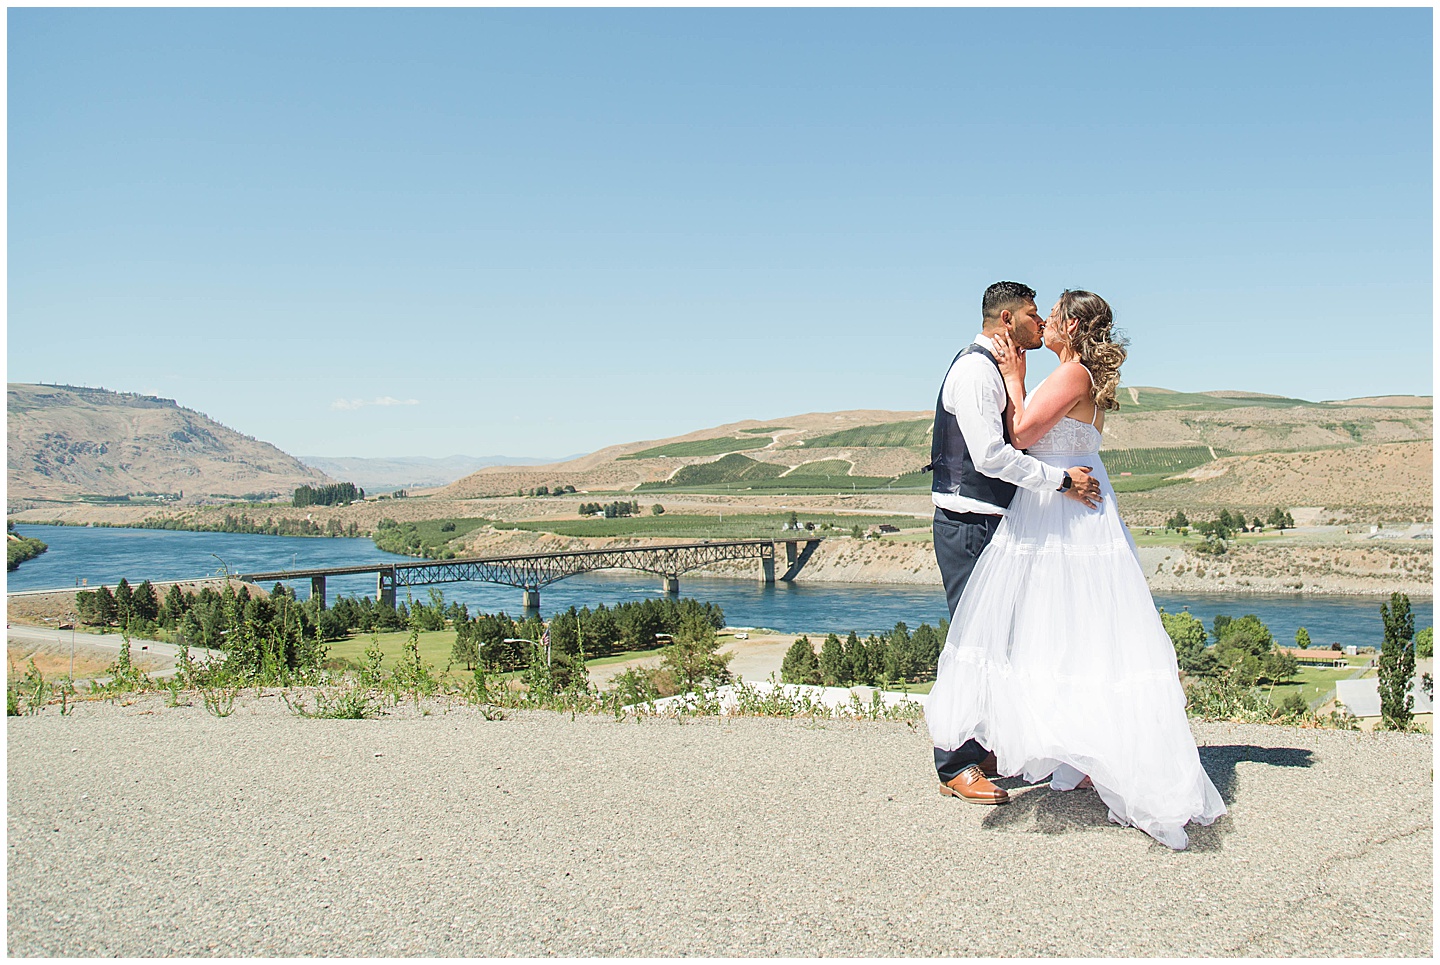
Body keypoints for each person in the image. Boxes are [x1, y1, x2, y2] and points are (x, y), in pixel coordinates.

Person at [925, 289, 1226, 850]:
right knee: (1067, 631)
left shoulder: (1070, 375)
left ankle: (1076, 751)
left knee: (1055, 631)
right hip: (1057, 502)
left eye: (1053, 316)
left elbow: (1019, 436)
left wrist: (1015, 382)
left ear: (1071, 326)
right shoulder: (1060, 373)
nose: (1044, 322)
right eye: (1037, 314)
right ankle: (1068, 751)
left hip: (1061, 506)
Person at [926, 281, 1100, 806]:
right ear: (1007, 319)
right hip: (968, 522)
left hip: (998, 524)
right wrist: (1062, 483)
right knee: (972, 643)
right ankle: (955, 764)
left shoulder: (1000, 370)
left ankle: (983, 748)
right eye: (1031, 315)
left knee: (1004, 641)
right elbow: (992, 458)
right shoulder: (976, 373)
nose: (1038, 324)